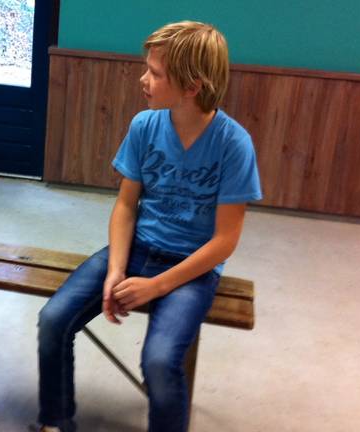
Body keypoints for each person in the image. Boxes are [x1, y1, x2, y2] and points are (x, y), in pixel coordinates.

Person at [36, 21, 262, 432]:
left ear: (192, 86)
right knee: (53, 319)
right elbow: (126, 206)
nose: (143, 79)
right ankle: (55, 422)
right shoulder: (144, 126)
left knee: (159, 360)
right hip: (138, 248)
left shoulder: (233, 144)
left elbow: (225, 240)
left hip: (192, 268)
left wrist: (155, 286)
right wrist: (116, 270)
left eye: (155, 74)